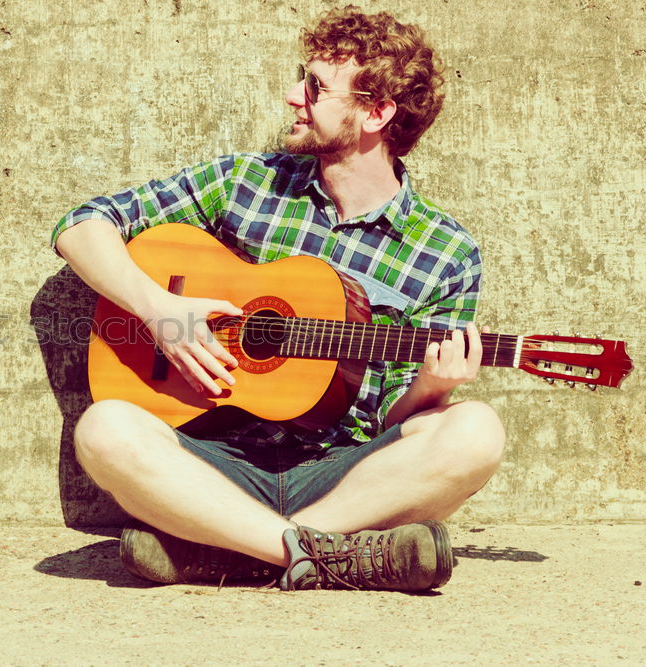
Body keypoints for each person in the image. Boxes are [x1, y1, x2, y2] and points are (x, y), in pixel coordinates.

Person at [50, 5, 505, 591]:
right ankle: (330, 556)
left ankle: (232, 550)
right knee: (104, 428)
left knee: (476, 431)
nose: (294, 95)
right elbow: (80, 226)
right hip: (213, 463)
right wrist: (157, 308)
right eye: (301, 78)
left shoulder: (446, 251)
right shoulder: (247, 181)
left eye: (316, 87)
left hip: (344, 475)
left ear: (376, 112)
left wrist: (433, 387)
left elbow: (396, 420)